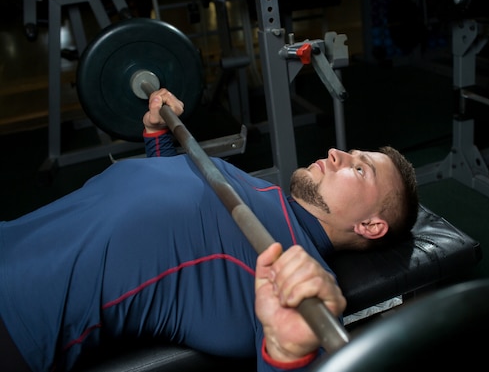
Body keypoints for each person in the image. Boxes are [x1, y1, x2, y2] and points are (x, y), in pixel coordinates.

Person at [0, 89, 419, 372]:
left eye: (359, 168)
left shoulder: (298, 278)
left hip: (22, 312)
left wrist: (288, 350)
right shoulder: (268, 195)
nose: (336, 153)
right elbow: (180, 212)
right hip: (16, 237)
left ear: (370, 225)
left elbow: (297, 346)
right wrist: (158, 136)